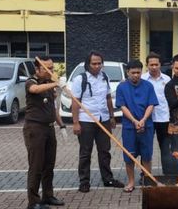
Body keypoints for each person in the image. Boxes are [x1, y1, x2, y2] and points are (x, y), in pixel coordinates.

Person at [71, 51, 124, 192]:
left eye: (99, 63)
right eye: (94, 63)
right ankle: (84, 182)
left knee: (105, 151)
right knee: (85, 153)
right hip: (86, 120)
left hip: (104, 119)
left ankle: (108, 179)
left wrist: (112, 116)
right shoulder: (80, 79)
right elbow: (75, 102)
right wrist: (75, 122)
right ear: (87, 64)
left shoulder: (104, 77)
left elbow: (107, 98)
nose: (97, 66)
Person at [23, 56, 66, 209]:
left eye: (52, 68)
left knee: (49, 165)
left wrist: (61, 125)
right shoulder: (32, 81)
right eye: (47, 68)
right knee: (36, 165)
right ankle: (33, 202)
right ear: (37, 69)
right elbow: (34, 90)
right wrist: (55, 83)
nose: (51, 71)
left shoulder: (49, 84)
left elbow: (53, 108)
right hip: (35, 129)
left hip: (49, 128)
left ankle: (48, 196)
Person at [116, 60, 158, 192]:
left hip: (147, 126)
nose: (136, 75)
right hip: (129, 127)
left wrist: (144, 119)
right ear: (128, 72)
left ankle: (147, 180)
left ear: (142, 71)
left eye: (138, 72)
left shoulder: (148, 86)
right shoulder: (121, 87)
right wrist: (134, 121)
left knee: (147, 155)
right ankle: (131, 182)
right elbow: (122, 106)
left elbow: (151, 104)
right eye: (133, 72)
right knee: (129, 156)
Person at [141, 52, 175, 175]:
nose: (154, 67)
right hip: (146, 118)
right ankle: (145, 174)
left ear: (160, 64)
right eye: (151, 65)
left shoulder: (167, 79)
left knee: (165, 148)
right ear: (147, 65)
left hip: (164, 118)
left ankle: (168, 174)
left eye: (156, 64)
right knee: (145, 148)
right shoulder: (142, 79)